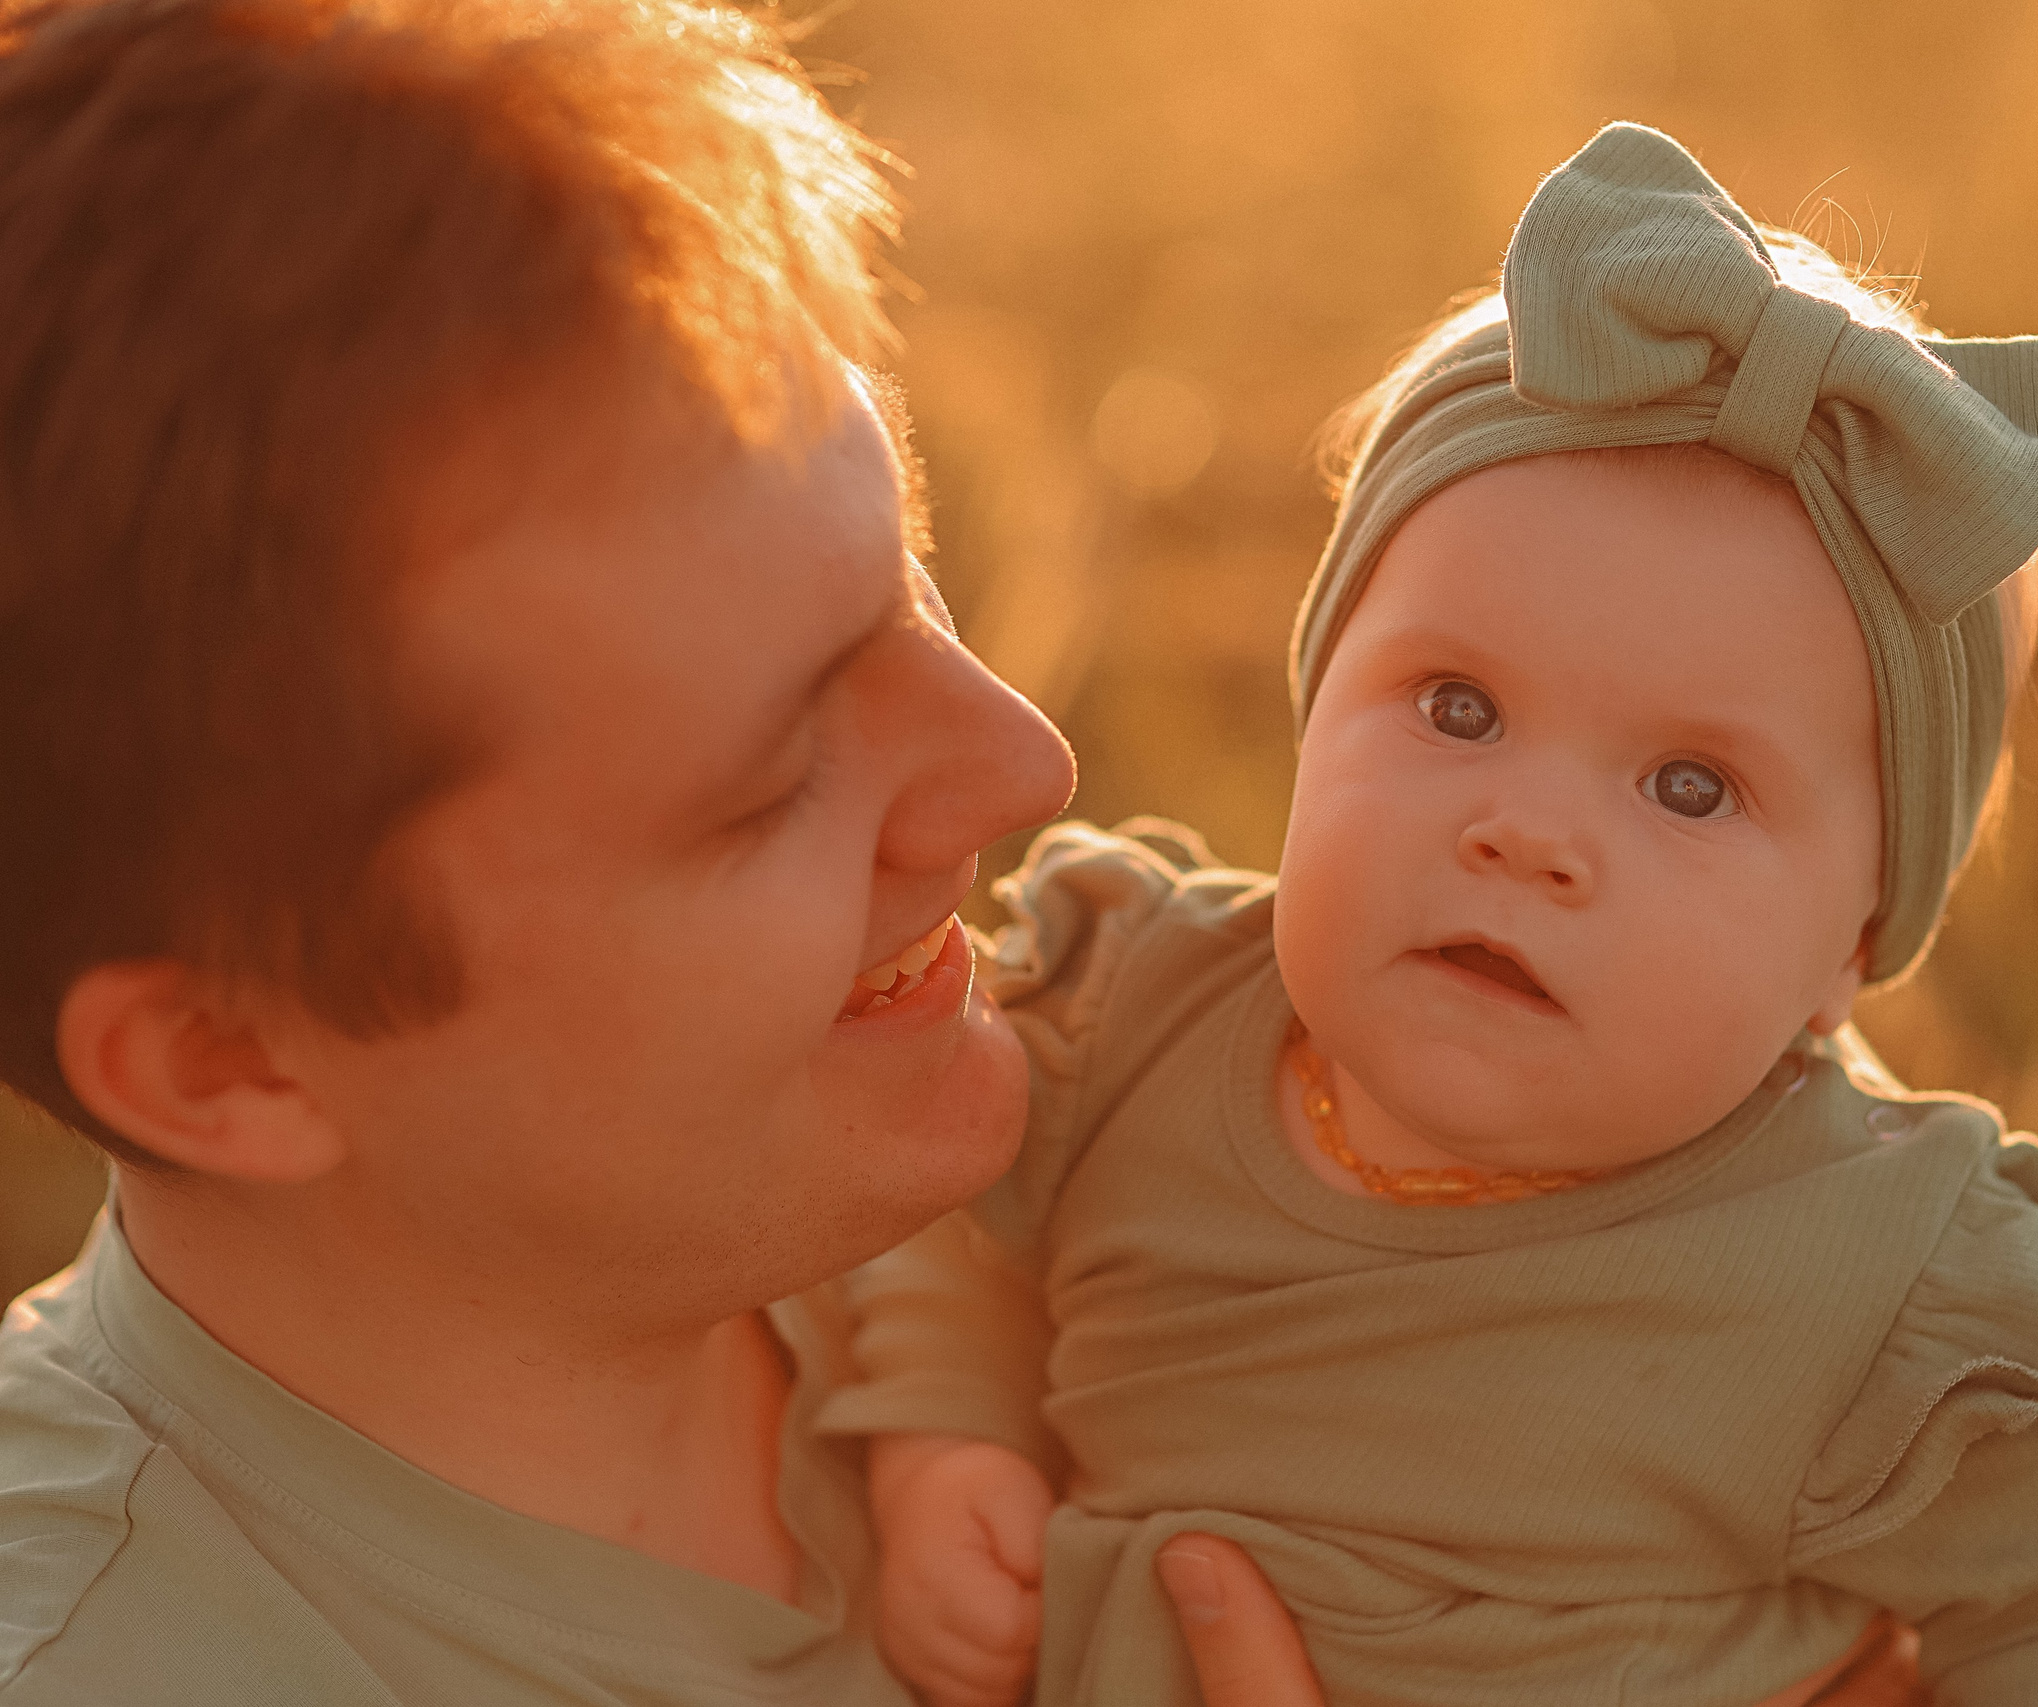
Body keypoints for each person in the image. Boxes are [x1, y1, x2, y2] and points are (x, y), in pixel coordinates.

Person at [0, 3, 1929, 1702]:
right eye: (766, 782)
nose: (1022, 764)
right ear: (228, 1060)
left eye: (907, 572)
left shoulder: (1164, 1141)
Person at [842, 125, 2038, 1707]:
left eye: (1691, 789)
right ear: (1316, 709)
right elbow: (959, 1227)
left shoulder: (1871, 1280)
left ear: (1851, 950)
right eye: (1455, 705)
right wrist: (942, 1435)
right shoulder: (1135, 1017)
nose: (1528, 833)